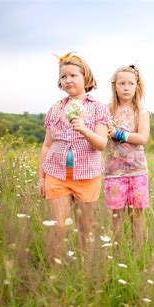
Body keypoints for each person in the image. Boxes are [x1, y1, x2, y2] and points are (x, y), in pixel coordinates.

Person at [38, 53, 110, 264]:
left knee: (85, 228)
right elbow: (47, 145)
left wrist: (84, 129)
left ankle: (85, 271)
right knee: (59, 226)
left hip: (87, 176)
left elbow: (101, 144)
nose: (68, 80)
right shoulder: (56, 109)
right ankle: (54, 272)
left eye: (73, 75)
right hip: (56, 175)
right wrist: (41, 178)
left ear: (85, 78)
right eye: (63, 77)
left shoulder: (98, 108)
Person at [104, 65, 150, 247]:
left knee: (137, 215)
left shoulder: (142, 111)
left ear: (137, 86)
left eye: (130, 83)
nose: (126, 87)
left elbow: (142, 138)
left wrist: (118, 134)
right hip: (114, 171)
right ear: (115, 86)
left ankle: (138, 253)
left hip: (137, 170)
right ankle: (118, 253)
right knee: (117, 215)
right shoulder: (107, 110)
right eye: (122, 83)